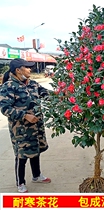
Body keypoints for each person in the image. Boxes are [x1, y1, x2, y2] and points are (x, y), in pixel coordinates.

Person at [0, 58, 51, 193]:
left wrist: (61, 95)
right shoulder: (9, 86)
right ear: (18, 70)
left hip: (36, 126)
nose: (30, 69)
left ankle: (37, 175)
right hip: (21, 130)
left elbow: (45, 93)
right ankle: (20, 182)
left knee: (35, 150)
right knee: (21, 155)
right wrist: (25, 115)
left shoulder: (32, 83)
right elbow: (5, 108)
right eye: (27, 67)